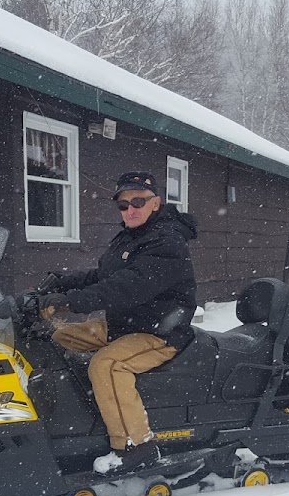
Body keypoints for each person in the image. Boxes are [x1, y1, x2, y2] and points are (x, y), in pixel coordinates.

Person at [39, 171, 198, 474]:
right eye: (123, 205)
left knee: (108, 365)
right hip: (124, 326)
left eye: (138, 201)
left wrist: (70, 301)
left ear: (156, 203)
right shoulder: (130, 236)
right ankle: (66, 415)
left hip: (159, 333)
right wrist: (60, 283)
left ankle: (136, 446)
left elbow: (128, 287)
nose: (131, 209)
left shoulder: (167, 242)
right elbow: (103, 275)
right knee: (57, 336)